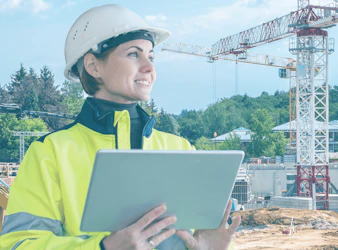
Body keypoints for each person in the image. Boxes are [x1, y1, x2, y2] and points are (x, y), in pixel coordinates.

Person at [0, 4, 240, 250]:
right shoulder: (50, 153)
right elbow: (18, 244)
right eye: (134, 54)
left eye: (151, 56)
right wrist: (104, 247)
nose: (149, 67)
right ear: (94, 66)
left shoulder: (182, 149)